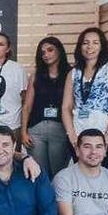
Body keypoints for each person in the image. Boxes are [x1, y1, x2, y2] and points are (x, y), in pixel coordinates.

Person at [62, 27, 108, 175]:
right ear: (80, 46)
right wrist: (71, 134)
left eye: (95, 42)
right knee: (82, 177)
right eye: (85, 43)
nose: (89, 46)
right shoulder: (73, 73)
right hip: (80, 134)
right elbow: (66, 107)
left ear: (102, 46)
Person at [21, 37, 69, 178]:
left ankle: (58, 201)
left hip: (60, 129)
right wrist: (23, 132)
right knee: (39, 173)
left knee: (59, 174)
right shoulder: (36, 76)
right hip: (36, 130)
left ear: (59, 51)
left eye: (50, 50)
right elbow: (27, 106)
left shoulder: (70, 74)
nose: (46, 55)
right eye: (42, 52)